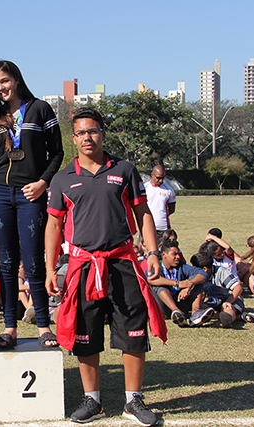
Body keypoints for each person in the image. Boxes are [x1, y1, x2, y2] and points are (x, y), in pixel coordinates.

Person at [45, 107, 166, 427]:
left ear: (102, 133)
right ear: (74, 138)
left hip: (123, 262)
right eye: (81, 132)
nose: (88, 137)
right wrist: (48, 269)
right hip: (83, 265)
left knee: (134, 333)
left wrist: (153, 252)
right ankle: (92, 400)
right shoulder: (62, 179)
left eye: (93, 131)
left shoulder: (125, 170)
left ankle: (133, 400)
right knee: (84, 333)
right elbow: (54, 226)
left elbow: (143, 214)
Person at [0, 59, 64, 349]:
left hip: (31, 192)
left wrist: (43, 182)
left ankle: (44, 326)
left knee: (33, 262)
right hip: (1, 194)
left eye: (4, 81)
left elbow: (57, 152)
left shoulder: (40, 109)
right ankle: (10, 328)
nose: (1, 88)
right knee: (5, 263)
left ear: (16, 79)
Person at [147, 240, 211, 328]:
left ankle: (196, 314)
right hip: (163, 307)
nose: (178, 257)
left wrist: (189, 285)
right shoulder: (157, 266)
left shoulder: (181, 266)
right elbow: (150, 279)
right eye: (174, 254)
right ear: (164, 255)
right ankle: (176, 312)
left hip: (180, 302)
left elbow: (203, 274)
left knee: (197, 282)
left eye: (178, 254)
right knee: (158, 286)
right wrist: (178, 283)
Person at [144, 164, 176, 237]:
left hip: (163, 228)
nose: (161, 180)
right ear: (152, 174)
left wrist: (160, 215)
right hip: (147, 226)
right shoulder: (144, 188)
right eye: (158, 178)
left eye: (163, 178)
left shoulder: (169, 190)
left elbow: (171, 209)